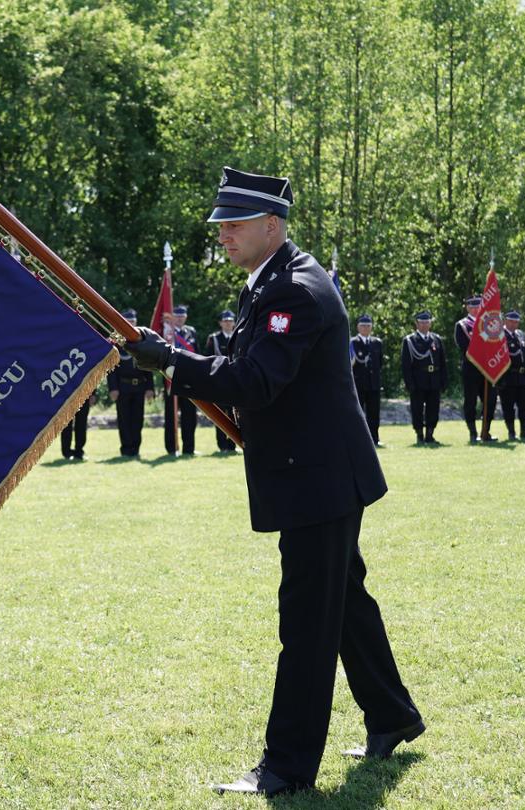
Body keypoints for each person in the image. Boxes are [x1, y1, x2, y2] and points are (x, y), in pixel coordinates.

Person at [127, 167, 419, 796]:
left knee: (307, 624)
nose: (223, 235)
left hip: (319, 481)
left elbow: (254, 381)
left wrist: (173, 360)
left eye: (234, 223)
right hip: (314, 474)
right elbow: (245, 370)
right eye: (220, 224)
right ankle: (394, 716)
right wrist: (182, 363)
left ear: (271, 224)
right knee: (343, 607)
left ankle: (286, 768)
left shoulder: (296, 290)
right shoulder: (269, 285)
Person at [108, 308, 152, 457]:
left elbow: (148, 366)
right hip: (122, 386)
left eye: (133, 321)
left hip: (139, 386)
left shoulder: (142, 341)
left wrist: (150, 388)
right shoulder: (116, 342)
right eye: (128, 321)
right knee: (124, 419)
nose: (131, 324)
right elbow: (111, 367)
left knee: (138, 419)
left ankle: (136, 449)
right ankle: (126, 449)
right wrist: (113, 388)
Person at [400, 312, 445, 444]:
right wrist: (409, 383)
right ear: (417, 324)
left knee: (433, 408)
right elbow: (406, 365)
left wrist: (443, 380)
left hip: (434, 379)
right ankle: (419, 434)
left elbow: (442, 362)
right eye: (422, 322)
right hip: (418, 379)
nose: (425, 325)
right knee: (417, 408)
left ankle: (430, 434)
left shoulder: (436, 339)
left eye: (427, 322)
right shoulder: (410, 341)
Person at [161, 304, 199, 456]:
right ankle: (172, 448)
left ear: (186, 317)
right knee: (171, 416)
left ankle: (188, 448)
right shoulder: (167, 333)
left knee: (190, 416)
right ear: (172, 317)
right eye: (177, 316)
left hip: (189, 379)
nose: (180, 318)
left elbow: (198, 354)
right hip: (172, 379)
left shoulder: (191, 332)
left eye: (182, 316)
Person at [456, 295, 490, 442]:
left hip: (488, 369)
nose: (476, 309)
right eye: (473, 307)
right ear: (468, 308)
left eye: (478, 306)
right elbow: (464, 347)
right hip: (471, 368)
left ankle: (485, 431)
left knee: (490, 400)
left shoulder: (488, 323)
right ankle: (473, 432)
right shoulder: (462, 325)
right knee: (470, 401)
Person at [499, 310, 525, 441]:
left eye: (516, 322)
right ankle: (511, 432)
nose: (514, 324)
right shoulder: (500, 336)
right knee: (508, 406)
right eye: (511, 321)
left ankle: (524, 431)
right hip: (508, 377)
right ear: (505, 321)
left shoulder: (521, 335)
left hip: (523, 377)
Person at [349, 314, 384, 447]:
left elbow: (379, 363)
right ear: (358, 327)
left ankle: (375, 438)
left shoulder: (377, 343)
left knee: (374, 413)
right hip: (359, 384)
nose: (366, 328)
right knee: (358, 413)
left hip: (373, 384)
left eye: (368, 325)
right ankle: (359, 440)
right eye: (363, 325)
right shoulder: (353, 343)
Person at [208, 310, 240, 452]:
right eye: (225, 321)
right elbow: (208, 360)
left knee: (235, 414)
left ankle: (233, 444)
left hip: (235, 382)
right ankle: (222, 446)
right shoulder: (214, 338)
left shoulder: (239, 336)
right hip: (219, 382)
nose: (228, 323)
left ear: (234, 322)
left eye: (230, 320)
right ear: (220, 323)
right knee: (220, 415)